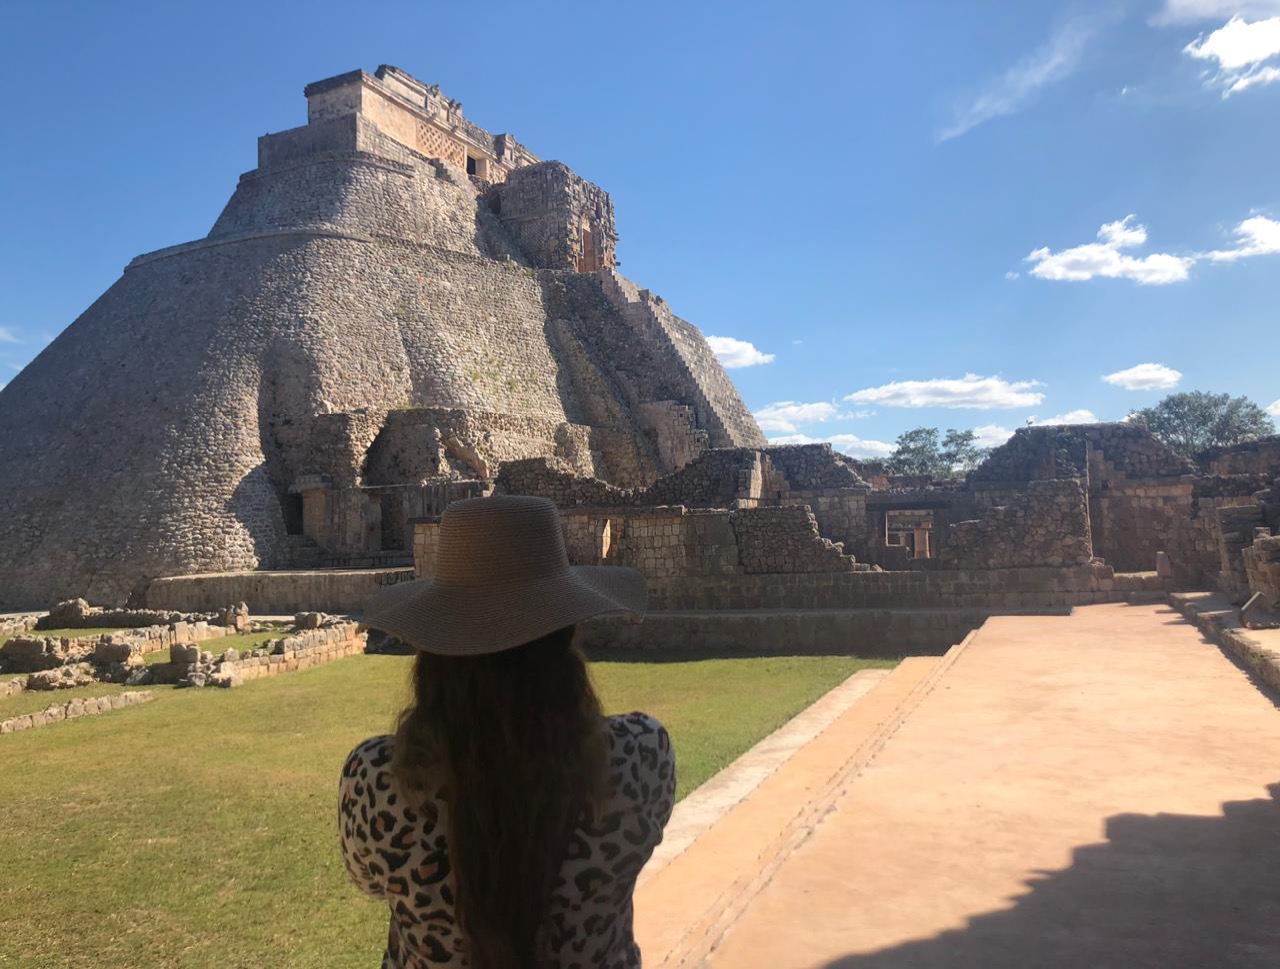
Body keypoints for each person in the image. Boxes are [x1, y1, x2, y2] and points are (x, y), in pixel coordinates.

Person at [340, 494, 676, 969]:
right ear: (564, 633)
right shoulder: (641, 756)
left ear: (435, 646)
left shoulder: (378, 782)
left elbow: (368, 879)